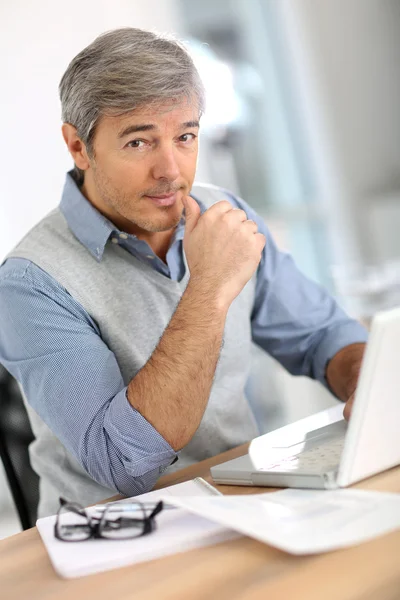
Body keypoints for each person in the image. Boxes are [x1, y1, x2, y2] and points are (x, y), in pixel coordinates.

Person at [0, 28, 367, 517]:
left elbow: (321, 335)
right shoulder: (30, 283)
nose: (171, 170)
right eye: (138, 142)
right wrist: (210, 286)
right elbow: (126, 464)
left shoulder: (223, 214)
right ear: (78, 146)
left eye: (185, 137)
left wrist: (365, 381)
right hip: (113, 530)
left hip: (240, 497)